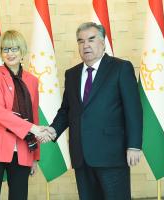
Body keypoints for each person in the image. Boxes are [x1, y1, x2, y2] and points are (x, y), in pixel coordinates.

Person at [46, 22, 143, 199]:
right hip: (81, 155)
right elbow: (67, 110)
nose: (86, 45)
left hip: (112, 154)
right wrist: (53, 130)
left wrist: (134, 145)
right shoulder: (72, 74)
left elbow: (134, 109)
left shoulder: (121, 68)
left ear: (103, 42)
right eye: (81, 41)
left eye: (91, 39)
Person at [0, 30, 53, 200]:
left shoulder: (32, 80)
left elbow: (34, 116)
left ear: (22, 50)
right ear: (1, 52)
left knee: (19, 196)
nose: (10, 54)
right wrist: (33, 128)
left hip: (23, 148)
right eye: (6, 49)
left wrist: (35, 157)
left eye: (14, 48)